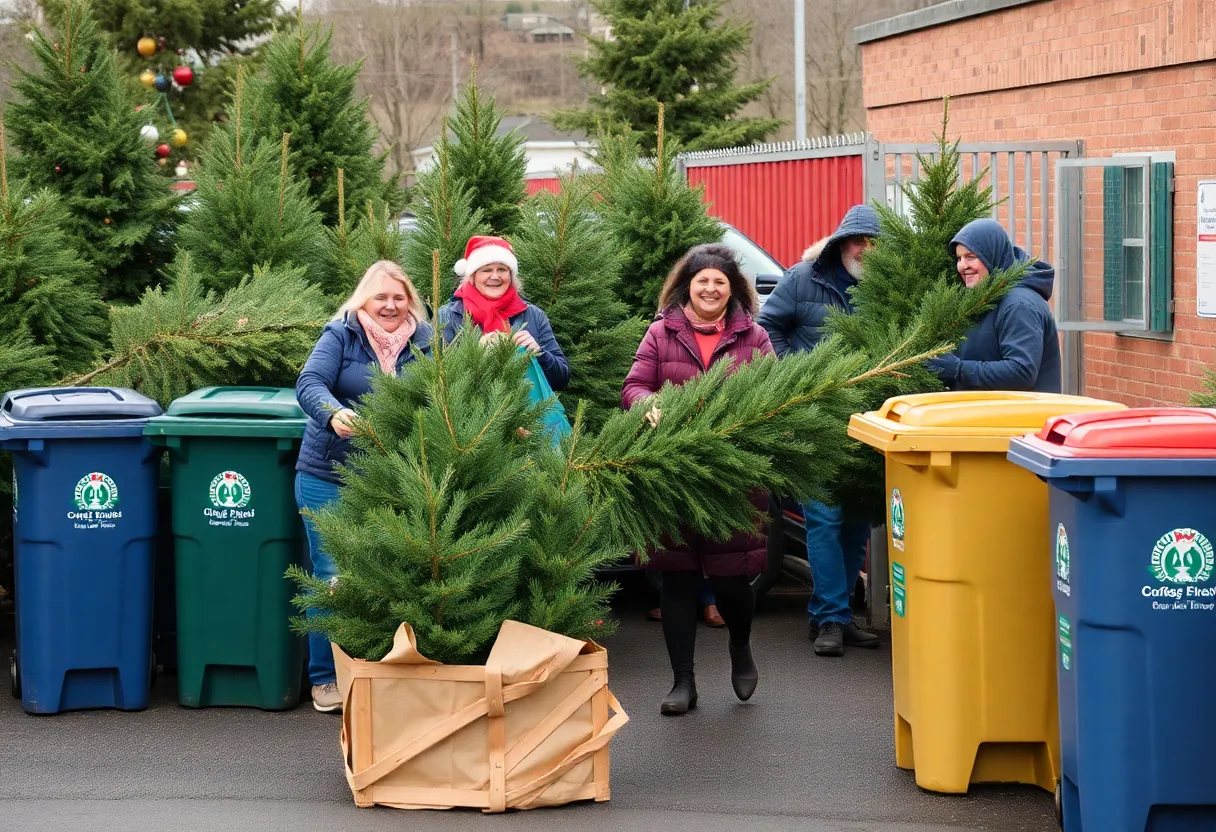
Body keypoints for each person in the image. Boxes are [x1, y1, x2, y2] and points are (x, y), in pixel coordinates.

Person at [622, 243, 774, 716]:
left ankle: (740, 644)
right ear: (687, 284)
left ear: (733, 290)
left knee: (732, 584)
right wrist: (646, 404)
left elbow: (775, 393)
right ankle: (682, 681)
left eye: (720, 281)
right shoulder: (660, 333)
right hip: (675, 475)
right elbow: (633, 386)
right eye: (702, 280)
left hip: (733, 479)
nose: (710, 288)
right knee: (678, 582)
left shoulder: (754, 337)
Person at [295, 261, 433, 713]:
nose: (390, 305)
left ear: (410, 300)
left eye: (398, 297)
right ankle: (326, 678)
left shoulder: (428, 343)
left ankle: (377, 671)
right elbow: (309, 382)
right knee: (334, 576)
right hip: (328, 476)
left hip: (395, 480)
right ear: (363, 301)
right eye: (381, 297)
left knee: (389, 574)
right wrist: (333, 413)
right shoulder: (340, 335)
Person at [757, 205, 882, 658]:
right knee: (824, 518)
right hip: (817, 419)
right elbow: (767, 326)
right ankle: (831, 619)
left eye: (874, 242)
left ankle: (833, 616)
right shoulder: (803, 277)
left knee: (854, 523)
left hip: (868, 422)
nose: (865, 250)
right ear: (841, 242)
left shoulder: (885, 288)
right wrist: (798, 377)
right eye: (858, 240)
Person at [926, 218, 1062, 393]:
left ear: (992, 255)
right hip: (991, 416)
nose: (962, 266)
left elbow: (1022, 372)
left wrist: (958, 370)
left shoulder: (1019, 305)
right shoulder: (984, 300)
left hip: (1022, 418)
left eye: (971, 257)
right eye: (959, 258)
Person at [437, 235, 569, 392]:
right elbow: (435, 377)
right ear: (472, 277)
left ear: (510, 276)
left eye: (502, 270)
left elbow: (561, 380)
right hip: (466, 414)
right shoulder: (447, 316)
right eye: (486, 270)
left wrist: (539, 353)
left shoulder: (533, 315)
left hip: (526, 412)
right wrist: (475, 357)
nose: (495, 276)